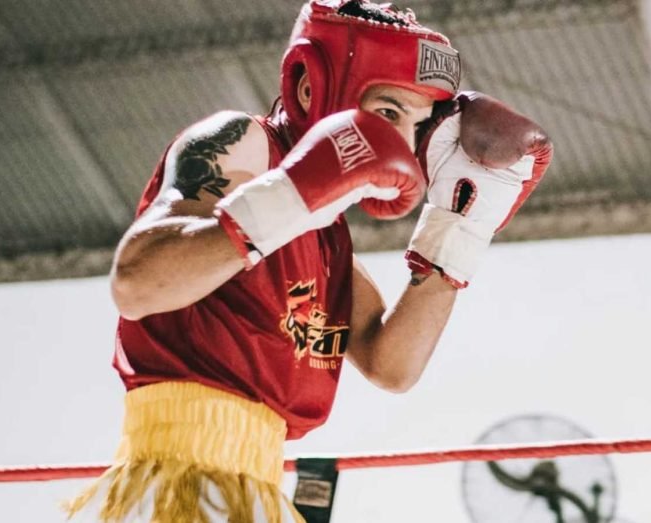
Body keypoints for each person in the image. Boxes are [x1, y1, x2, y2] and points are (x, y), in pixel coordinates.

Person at [66, 1, 552, 521]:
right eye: (388, 113)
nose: (401, 143)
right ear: (308, 88)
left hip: (256, 489)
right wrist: (292, 194)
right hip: (174, 480)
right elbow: (136, 283)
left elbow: (392, 366)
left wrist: (458, 230)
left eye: (416, 125)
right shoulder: (243, 144)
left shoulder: (327, 240)